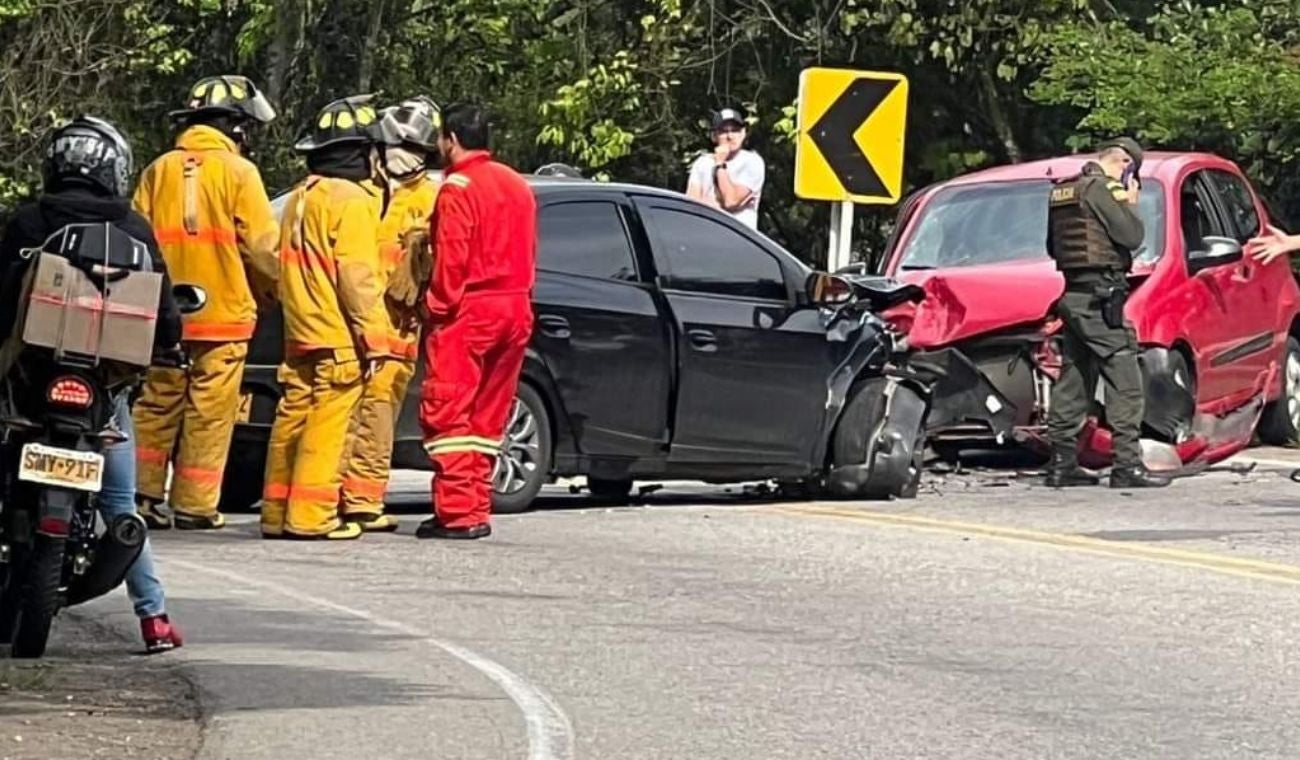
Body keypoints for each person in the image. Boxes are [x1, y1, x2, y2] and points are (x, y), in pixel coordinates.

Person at [0, 117, 184, 653]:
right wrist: (172, 345)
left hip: (28, 379)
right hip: (103, 386)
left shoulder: (29, 221)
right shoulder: (135, 229)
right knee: (119, 499)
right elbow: (165, 313)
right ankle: (154, 618)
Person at [131, 75, 281, 531]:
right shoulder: (240, 173)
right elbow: (261, 249)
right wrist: (270, 295)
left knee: (154, 406)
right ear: (235, 126)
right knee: (210, 414)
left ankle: (140, 498)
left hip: (164, 317)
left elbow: (135, 241)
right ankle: (195, 506)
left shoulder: (159, 170)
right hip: (224, 318)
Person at [260, 94, 392, 541]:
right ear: (360, 152)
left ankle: (276, 513)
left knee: (292, 418)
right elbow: (357, 277)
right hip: (336, 334)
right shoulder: (351, 199)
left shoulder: (302, 195)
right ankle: (312, 517)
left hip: (299, 329)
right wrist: (376, 340)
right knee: (330, 424)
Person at [417, 103, 536, 540]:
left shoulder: (458, 188)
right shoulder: (517, 184)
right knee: (489, 413)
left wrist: (436, 306)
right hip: (517, 308)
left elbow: (453, 258)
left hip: (472, 310)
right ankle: (475, 507)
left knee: (448, 410)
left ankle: (458, 512)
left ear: (450, 138)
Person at [336, 96, 440, 533]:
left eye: (416, 149)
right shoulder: (362, 193)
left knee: (376, 417)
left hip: (396, 330)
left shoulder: (430, 199)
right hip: (349, 324)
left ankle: (361, 500)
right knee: (341, 416)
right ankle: (332, 497)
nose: (406, 157)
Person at [1044, 136, 1170, 489]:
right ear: (1126, 165)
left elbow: (1052, 246)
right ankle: (1127, 465)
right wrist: (1131, 203)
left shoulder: (1063, 192)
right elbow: (1132, 236)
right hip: (1102, 296)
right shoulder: (1104, 190)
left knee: (1074, 377)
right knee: (1125, 376)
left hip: (1074, 294)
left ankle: (1061, 463)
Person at [685, 107, 766, 230]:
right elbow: (690, 207)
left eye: (735, 130)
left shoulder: (752, 162)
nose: (730, 136)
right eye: (723, 131)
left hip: (737, 238)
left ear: (743, 133)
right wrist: (717, 206)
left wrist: (720, 165)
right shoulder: (702, 163)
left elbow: (731, 201)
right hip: (705, 234)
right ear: (714, 136)